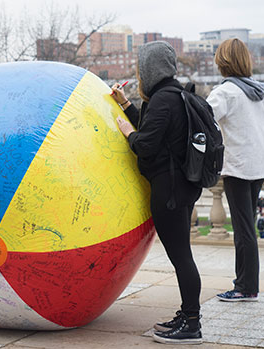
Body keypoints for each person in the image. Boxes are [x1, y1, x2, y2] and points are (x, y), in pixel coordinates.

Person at [111, 41, 203, 345]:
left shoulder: (164, 99)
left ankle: (192, 324)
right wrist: (126, 105)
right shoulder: (176, 94)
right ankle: (187, 314)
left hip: (169, 191)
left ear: (148, 68)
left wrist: (128, 134)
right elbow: (155, 131)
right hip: (183, 187)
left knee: (181, 257)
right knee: (182, 255)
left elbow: (146, 144)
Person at [206, 38, 264, 302]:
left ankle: (246, 287)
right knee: (245, 226)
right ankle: (244, 283)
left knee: (244, 228)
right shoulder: (261, 91)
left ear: (223, 62)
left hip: (237, 167)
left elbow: (203, 121)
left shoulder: (224, 92)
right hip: (259, 166)